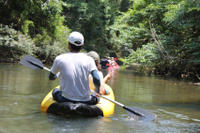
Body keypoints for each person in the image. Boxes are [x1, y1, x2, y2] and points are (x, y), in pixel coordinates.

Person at [49, 31, 104, 105]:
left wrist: (55, 76)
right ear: (82, 45)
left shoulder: (59, 58)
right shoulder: (89, 59)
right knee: (95, 97)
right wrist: (97, 91)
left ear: (68, 44)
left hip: (65, 99)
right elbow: (97, 78)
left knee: (55, 91)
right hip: (86, 101)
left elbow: (51, 77)